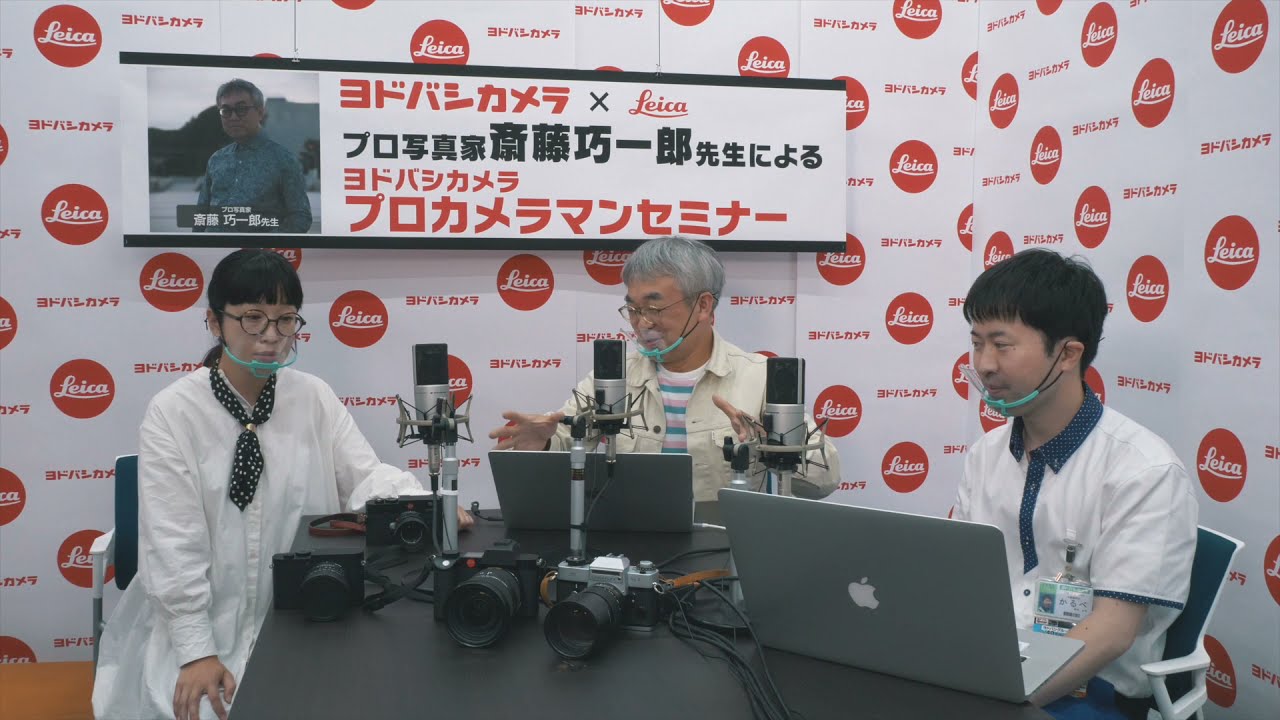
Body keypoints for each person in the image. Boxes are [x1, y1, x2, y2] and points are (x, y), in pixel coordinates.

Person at [92, 249, 471, 720]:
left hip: (304, 609)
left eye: (286, 319)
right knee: (205, 710)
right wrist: (195, 650)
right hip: (204, 622)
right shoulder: (173, 412)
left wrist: (426, 504)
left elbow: (364, 474)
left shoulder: (312, 397)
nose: (271, 336)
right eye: (253, 318)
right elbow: (173, 543)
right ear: (214, 321)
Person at [952, 249, 1197, 720]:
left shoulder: (1144, 470)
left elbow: (1112, 633)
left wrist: (998, 700)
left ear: (1067, 354)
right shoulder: (986, 453)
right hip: (987, 668)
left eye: (1002, 345)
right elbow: (961, 578)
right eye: (976, 343)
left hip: (1088, 691)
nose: (983, 364)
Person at [489, 236, 840, 501]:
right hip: (630, 551)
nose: (641, 323)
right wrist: (543, 444)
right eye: (633, 309)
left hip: (725, 556)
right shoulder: (612, 379)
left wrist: (773, 442)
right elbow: (567, 447)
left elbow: (825, 482)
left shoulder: (759, 377)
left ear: (703, 306)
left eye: (654, 308)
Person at [194, 79, 312, 233]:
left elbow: (301, 217)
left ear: (260, 113)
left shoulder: (284, 160)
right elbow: (201, 214)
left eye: (241, 109)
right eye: (226, 110)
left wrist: (264, 243)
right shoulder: (216, 159)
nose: (233, 117)